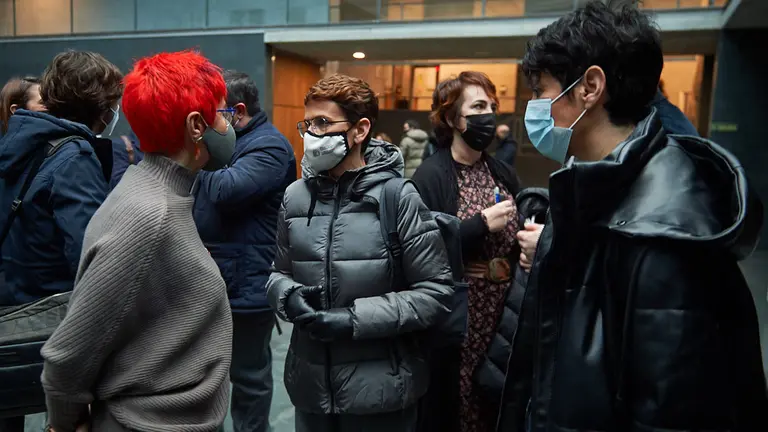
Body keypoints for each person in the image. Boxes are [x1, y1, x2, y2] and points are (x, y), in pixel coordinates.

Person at [508, 2, 768, 431]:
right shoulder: (592, 190)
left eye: (540, 91)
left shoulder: (666, 234)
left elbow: (672, 413)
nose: (533, 107)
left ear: (590, 87)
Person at [41, 51, 234, 432]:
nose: (229, 126)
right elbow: (68, 354)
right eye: (223, 115)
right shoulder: (149, 215)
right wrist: (61, 425)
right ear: (197, 126)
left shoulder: (155, 190)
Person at [266, 74, 454, 432]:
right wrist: (287, 296)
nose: (311, 134)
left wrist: (353, 319)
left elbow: (435, 293)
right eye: (307, 124)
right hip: (311, 391)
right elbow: (278, 272)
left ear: (360, 129)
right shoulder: (295, 197)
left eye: (323, 123)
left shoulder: (398, 198)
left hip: (380, 394)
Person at [411, 71, 523, 432]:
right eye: (477, 107)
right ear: (451, 118)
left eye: (492, 106)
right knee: (458, 403)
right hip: (460, 315)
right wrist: (477, 226)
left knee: (497, 398)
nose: (488, 115)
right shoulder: (430, 176)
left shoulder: (502, 172)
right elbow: (419, 249)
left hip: (503, 313)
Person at [194, 70, 296, 432]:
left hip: (247, 285)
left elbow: (226, 190)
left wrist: (201, 154)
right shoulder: (229, 140)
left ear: (236, 111)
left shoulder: (270, 147)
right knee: (209, 379)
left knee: (249, 378)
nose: (202, 123)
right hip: (214, 280)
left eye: (210, 113)